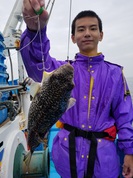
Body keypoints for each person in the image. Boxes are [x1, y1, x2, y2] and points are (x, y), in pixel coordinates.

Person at [21, 0, 133, 177]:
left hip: (103, 159)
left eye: (93, 28)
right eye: (81, 29)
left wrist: (129, 152)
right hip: (66, 155)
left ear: (101, 34)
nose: (87, 33)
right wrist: (36, 30)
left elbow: (124, 117)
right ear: (73, 37)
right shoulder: (60, 70)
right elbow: (38, 63)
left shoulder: (116, 73)